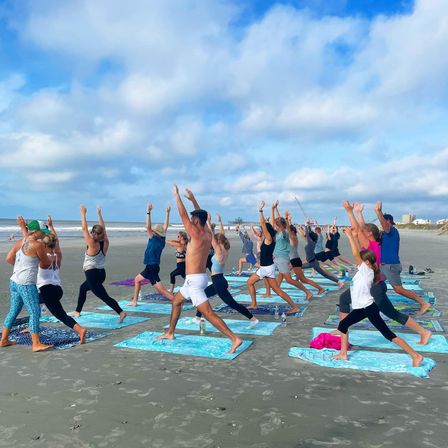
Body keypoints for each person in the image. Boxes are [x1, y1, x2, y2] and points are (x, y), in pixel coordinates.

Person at [158, 186, 243, 354]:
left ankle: (234, 339)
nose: (191, 220)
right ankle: (170, 332)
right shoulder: (207, 233)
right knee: (176, 301)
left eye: (193, 219)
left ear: (196, 221)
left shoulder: (196, 233)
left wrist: (176, 196)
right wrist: (193, 199)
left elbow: (183, 215)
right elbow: (200, 214)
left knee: (209, 313)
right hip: (195, 279)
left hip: (195, 281)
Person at [337, 202, 432, 344]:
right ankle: (342, 330)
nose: (361, 232)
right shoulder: (373, 243)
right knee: (344, 299)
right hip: (367, 285)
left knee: (391, 313)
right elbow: (360, 228)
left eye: (365, 231)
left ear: (369, 233)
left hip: (375, 287)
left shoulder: (371, 245)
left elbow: (358, 228)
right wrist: (357, 213)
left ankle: (424, 332)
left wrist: (350, 212)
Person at [332, 228, 424, 367]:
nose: (358, 262)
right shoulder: (367, 270)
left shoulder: (366, 270)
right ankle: (343, 354)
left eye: (361, 260)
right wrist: (354, 236)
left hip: (368, 308)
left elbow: (356, 253)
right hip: (363, 308)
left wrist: (351, 236)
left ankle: (416, 355)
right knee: (343, 325)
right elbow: (358, 253)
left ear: (366, 262)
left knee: (387, 334)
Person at [18, 217, 88, 344]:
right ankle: (32, 326)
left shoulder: (43, 259)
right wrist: (51, 226)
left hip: (47, 290)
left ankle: (80, 330)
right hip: (56, 290)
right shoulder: (57, 255)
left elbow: (28, 243)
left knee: (53, 312)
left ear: (43, 245)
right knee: (36, 306)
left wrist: (24, 228)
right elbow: (56, 241)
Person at [194, 214, 259, 325]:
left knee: (232, 304)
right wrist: (219, 221)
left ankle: (253, 319)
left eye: (215, 240)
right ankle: (197, 317)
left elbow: (213, 237)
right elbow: (221, 236)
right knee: (203, 295)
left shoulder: (219, 251)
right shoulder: (225, 250)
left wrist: (208, 222)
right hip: (219, 280)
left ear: (218, 242)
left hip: (218, 281)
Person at [0, 217, 53, 352]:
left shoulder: (21, 242)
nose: (44, 234)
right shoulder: (38, 245)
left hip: (14, 280)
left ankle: (4, 339)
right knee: (35, 311)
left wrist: (21, 267)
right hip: (26, 283)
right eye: (43, 232)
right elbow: (46, 263)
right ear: (35, 232)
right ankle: (36, 344)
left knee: (13, 311)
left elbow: (9, 258)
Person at [374, 201, 430, 314]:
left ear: (388, 221)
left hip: (391, 265)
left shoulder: (392, 231)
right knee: (374, 284)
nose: (382, 224)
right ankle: (373, 305)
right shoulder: (384, 234)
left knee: (398, 289)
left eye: (383, 221)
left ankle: (424, 303)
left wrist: (378, 212)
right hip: (384, 266)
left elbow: (385, 226)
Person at [73, 206, 126, 323]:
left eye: (92, 232)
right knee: (83, 288)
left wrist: (83, 214)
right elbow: (104, 229)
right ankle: (77, 311)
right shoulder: (105, 241)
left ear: (94, 233)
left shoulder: (92, 243)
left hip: (92, 274)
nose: (91, 234)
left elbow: (83, 229)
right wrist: (99, 214)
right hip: (101, 273)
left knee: (104, 297)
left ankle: (121, 312)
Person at [246, 201, 300, 314]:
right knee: (276, 290)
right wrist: (273, 209)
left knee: (250, 283)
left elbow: (265, 224)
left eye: (263, 229)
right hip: (267, 267)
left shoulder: (269, 239)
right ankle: (254, 304)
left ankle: (254, 304)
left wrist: (260, 210)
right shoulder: (274, 236)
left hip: (266, 268)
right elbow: (270, 224)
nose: (262, 229)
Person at [264, 203, 314, 300]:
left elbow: (283, 225)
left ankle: (307, 292)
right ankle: (272, 291)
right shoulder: (278, 233)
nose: (275, 225)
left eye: (277, 224)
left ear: (280, 226)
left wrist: (286, 219)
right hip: (277, 258)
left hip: (282, 258)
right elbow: (274, 222)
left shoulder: (284, 233)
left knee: (289, 280)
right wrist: (274, 209)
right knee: (275, 275)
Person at [128, 203, 173, 306]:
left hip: (152, 267)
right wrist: (167, 213)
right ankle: (134, 301)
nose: (151, 230)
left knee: (162, 291)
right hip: (151, 266)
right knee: (137, 280)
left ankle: (177, 301)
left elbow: (147, 226)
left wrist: (148, 212)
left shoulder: (153, 237)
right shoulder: (162, 239)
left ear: (155, 232)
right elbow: (165, 227)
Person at [298, 220, 344, 287]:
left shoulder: (310, 243)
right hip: (314, 261)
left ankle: (299, 279)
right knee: (324, 274)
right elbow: (307, 235)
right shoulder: (315, 240)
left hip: (312, 261)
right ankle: (339, 281)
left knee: (297, 267)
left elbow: (307, 235)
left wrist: (306, 225)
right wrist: (306, 227)